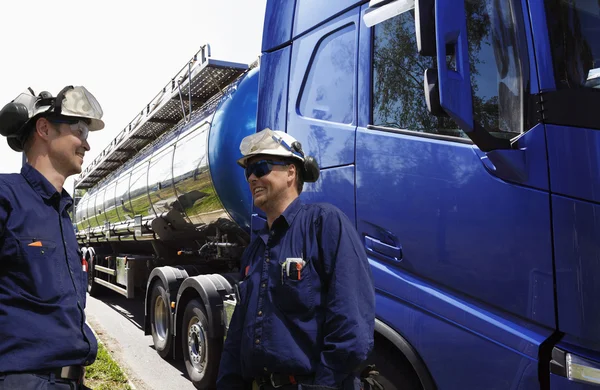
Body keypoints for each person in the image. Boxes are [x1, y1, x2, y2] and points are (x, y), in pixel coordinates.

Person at [217, 128, 376, 390]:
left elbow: (351, 328)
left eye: (261, 167)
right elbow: (237, 336)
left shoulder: (324, 223)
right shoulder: (254, 250)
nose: (252, 178)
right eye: (248, 172)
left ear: (291, 172)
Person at [0, 86, 105, 390]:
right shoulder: (7, 196)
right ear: (44, 128)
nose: (86, 143)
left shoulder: (62, 214)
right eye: (80, 129)